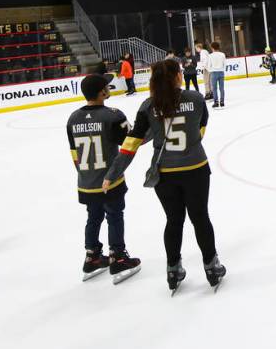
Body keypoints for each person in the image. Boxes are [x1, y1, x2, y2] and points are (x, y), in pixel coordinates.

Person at [102, 60, 224, 294]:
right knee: (200, 218)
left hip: (165, 174)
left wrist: (112, 173)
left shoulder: (148, 106)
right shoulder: (196, 99)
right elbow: (200, 130)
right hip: (195, 168)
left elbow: (130, 144)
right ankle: (211, 266)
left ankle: (172, 269)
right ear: (179, 75)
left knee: (173, 220)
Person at [65, 74, 141, 283]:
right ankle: (118, 257)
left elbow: (75, 155)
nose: (109, 87)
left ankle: (92, 256)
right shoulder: (113, 116)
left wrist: (86, 176)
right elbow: (131, 142)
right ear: (102, 92)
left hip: (86, 182)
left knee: (94, 216)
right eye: (106, 86)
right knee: (114, 215)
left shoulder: (73, 118)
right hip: (110, 179)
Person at [206, 42, 226, 108]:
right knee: (221, 88)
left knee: (214, 89)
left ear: (212, 48)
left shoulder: (210, 55)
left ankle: (216, 102)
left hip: (213, 73)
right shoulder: (222, 54)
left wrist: (210, 70)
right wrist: (222, 70)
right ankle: (222, 101)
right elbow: (225, 64)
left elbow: (209, 65)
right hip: (221, 72)